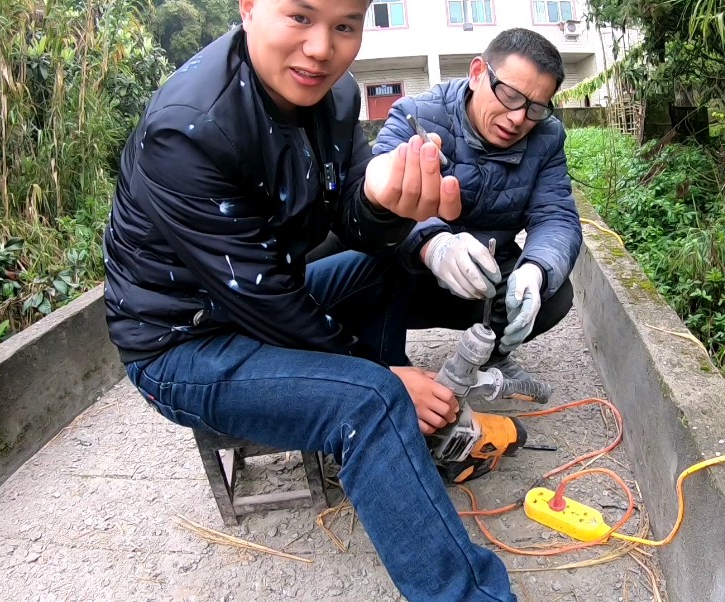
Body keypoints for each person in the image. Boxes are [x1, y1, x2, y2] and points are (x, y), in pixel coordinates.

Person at [102, 1, 516, 600]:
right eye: (300, 16)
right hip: (182, 347)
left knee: (388, 265)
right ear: (249, 7)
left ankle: (389, 451)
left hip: (263, 298)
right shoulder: (188, 129)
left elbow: (346, 221)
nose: (322, 48)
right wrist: (384, 377)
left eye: (344, 25)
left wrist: (379, 200)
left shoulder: (337, 97)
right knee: (370, 400)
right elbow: (264, 299)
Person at [375, 28, 583, 385]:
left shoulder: (546, 138)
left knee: (554, 291)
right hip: (408, 275)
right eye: (510, 95)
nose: (519, 118)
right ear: (476, 73)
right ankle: (386, 369)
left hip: (484, 280)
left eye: (535, 108)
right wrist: (433, 244)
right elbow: (373, 204)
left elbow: (556, 215)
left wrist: (535, 269)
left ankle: (490, 356)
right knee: (356, 265)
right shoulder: (415, 116)